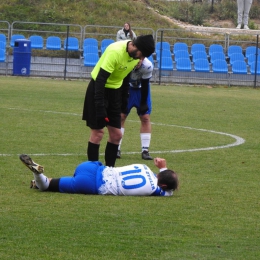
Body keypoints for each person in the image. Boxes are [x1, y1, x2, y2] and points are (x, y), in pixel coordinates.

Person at [82, 35, 155, 167]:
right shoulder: (115, 51)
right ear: (134, 45)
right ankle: (91, 171)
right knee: (98, 132)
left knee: (116, 135)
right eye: (142, 55)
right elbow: (100, 79)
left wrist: (124, 101)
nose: (141, 59)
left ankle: (109, 171)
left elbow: (125, 78)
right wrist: (100, 106)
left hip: (115, 92)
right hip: (98, 90)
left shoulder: (135, 57)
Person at [19, 154, 179, 196]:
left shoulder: (144, 166)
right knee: (47, 186)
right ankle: (39, 177)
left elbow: (162, 177)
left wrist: (163, 167)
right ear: (163, 185)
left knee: (52, 183)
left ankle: (36, 179)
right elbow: (168, 193)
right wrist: (164, 174)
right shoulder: (153, 190)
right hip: (91, 185)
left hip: (91, 166)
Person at [117, 57, 154, 160]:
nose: (138, 62)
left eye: (140, 59)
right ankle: (117, 148)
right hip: (126, 88)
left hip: (141, 90)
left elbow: (146, 83)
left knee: (145, 117)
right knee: (121, 116)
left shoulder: (147, 65)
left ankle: (145, 151)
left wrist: (143, 102)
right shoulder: (125, 61)